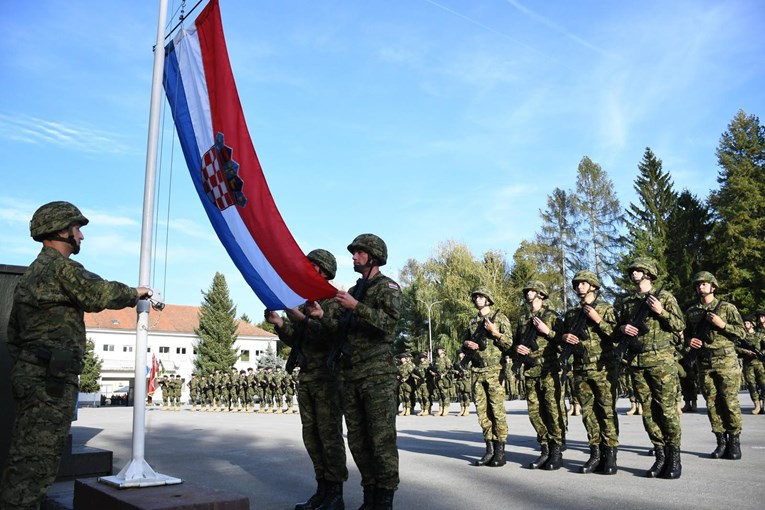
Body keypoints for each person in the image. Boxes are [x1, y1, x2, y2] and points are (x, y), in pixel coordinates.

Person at [0, 201, 152, 509]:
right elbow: (97, 294)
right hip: (48, 381)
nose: (81, 236)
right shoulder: (60, 269)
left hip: (35, 376)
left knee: (27, 456)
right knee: (35, 465)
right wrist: (136, 293)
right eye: (77, 228)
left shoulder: (31, 275)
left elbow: (14, 336)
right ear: (60, 230)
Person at [307, 234, 401, 509]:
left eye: (359, 252)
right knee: (359, 443)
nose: (354, 256)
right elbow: (342, 333)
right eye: (354, 252)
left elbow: (388, 324)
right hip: (351, 375)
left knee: (381, 442)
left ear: (373, 257)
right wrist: (323, 317)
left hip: (377, 377)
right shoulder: (356, 289)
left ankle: (384, 501)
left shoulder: (388, 287)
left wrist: (356, 307)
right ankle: (369, 498)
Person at [266, 248, 347, 510]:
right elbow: (300, 339)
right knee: (312, 436)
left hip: (328, 377)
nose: (305, 269)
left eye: (311, 266)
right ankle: (322, 490)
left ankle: (335, 494)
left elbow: (331, 336)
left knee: (329, 435)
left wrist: (299, 315)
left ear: (323, 271)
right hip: (308, 376)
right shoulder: (303, 303)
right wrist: (280, 323)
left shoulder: (333, 302)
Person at [613, 257, 685, 479]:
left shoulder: (664, 297)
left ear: (649, 274)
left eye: (638, 270)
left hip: (662, 361)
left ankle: (674, 457)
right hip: (638, 363)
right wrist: (623, 327)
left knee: (666, 410)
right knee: (648, 412)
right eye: (632, 270)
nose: (634, 273)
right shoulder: (627, 302)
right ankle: (660, 455)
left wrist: (661, 311)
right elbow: (615, 330)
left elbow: (680, 325)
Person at [559, 270, 619, 474]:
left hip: (603, 368)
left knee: (607, 412)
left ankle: (610, 454)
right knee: (588, 414)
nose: (579, 287)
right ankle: (595, 453)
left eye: (583, 283)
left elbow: (617, 337)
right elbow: (562, 340)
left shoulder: (606, 309)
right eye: (576, 284)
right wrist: (565, 337)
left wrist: (598, 320)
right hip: (581, 369)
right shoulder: (572, 313)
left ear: (593, 285)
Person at [684, 271, 746, 460]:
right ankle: (721, 441)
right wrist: (689, 341)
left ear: (713, 286)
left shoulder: (727, 308)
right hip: (704, 362)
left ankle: (734, 441)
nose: (701, 286)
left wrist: (723, 325)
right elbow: (685, 333)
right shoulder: (692, 312)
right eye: (698, 284)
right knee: (711, 404)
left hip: (726, 361)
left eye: (705, 284)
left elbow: (742, 333)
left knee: (729, 402)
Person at [513, 281, 566, 470]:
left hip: (549, 369)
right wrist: (516, 348)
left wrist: (548, 332)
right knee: (535, 413)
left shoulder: (552, 317)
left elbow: (564, 343)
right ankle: (544, 450)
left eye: (532, 291)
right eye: (527, 291)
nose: (528, 294)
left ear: (541, 295)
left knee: (552, 411)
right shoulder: (523, 320)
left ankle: (556, 451)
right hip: (530, 371)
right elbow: (516, 343)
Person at [463, 286, 513, 467]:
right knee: (482, 413)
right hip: (477, 371)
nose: (477, 299)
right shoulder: (471, 322)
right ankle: (489, 449)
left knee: (497, 412)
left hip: (494, 371)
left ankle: (500, 451)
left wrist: (495, 332)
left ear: (488, 300)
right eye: (475, 296)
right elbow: (464, 345)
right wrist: (466, 344)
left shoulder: (500, 318)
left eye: (480, 296)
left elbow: (509, 344)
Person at [741, 316, 765, 415]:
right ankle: (757, 405)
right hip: (748, 364)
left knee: (763, 384)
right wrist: (745, 351)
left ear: (751, 324)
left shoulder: (759, 335)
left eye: (748, 323)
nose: (746, 325)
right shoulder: (742, 337)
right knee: (751, 385)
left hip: (759, 363)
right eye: (744, 323)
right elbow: (735, 347)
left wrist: (760, 353)